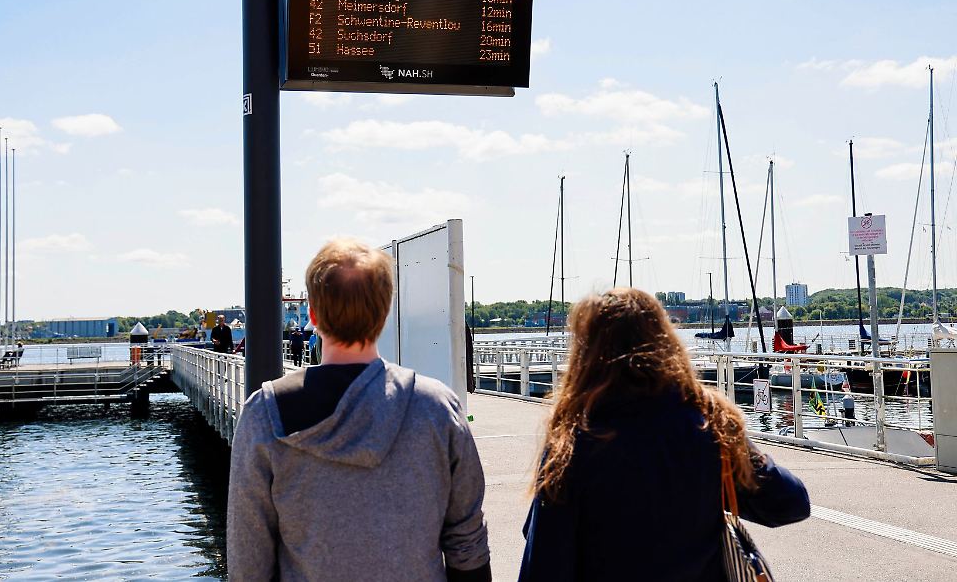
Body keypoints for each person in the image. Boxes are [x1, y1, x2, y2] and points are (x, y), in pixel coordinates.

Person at [227, 239, 491, 582]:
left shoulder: (266, 413)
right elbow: (467, 545)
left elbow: (249, 560)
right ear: (384, 310)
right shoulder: (436, 407)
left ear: (313, 315)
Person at [519, 288, 810, 581]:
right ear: (665, 342)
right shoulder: (709, 428)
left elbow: (543, 566)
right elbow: (791, 503)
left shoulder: (573, 444)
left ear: (586, 354)